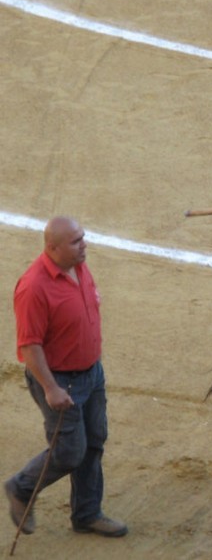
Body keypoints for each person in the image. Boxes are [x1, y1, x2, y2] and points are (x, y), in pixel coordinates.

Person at [4, 216, 128, 538]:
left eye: (83, 237)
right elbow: (29, 346)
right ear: (52, 247)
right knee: (69, 451)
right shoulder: (33, 287)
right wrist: (50, 388)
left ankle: (87, 513)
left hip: (91, 373)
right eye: (76, 241)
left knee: (94, 441)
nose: (84, 244)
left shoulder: (79, 266)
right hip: (61, 380)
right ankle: (21, 487)